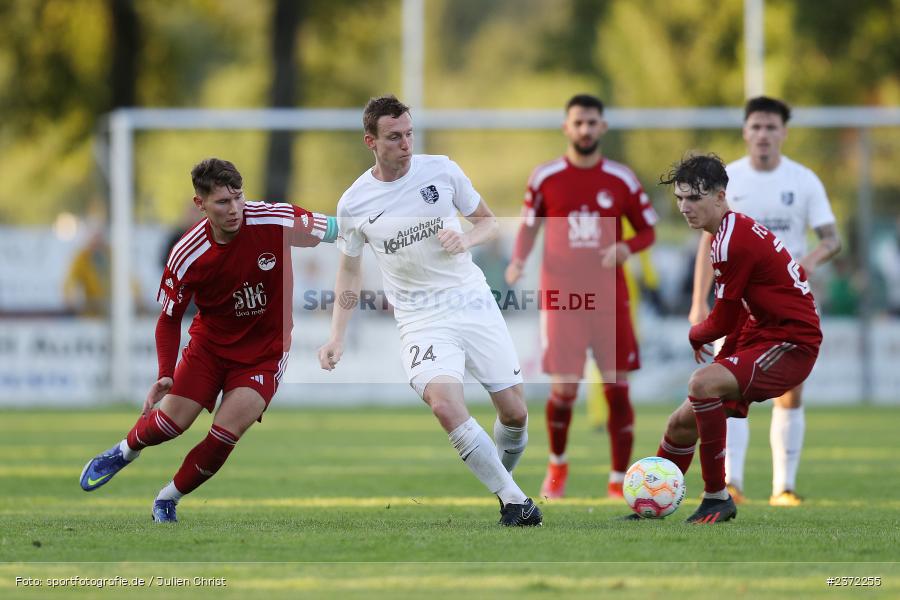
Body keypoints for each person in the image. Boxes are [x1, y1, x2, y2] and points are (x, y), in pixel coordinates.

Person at [317, 95, 541, 527]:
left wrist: (467, 240)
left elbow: (489, 222)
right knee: (444, 403)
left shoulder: (441, 170)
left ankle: (502, 483)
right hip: (421, 319)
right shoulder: (354, 203)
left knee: (514, 414)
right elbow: (348, 271)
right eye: (394, 137)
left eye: (409, 134)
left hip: (471, 301)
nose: (405, 144)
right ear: (371, 141)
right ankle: (513, 500)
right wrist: (336, 335)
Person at [79, 158, 337, 522]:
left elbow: (338, 229)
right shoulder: (187, 253)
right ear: (200, 204)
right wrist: (165, 373)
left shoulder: (274, 219)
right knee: (170, 425)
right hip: (210, 348)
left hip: (264, 353)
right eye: (222, 202)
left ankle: (167, 499)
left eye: (238, 198)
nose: (234, 209)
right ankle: (125, 450)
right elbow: (167, 319)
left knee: (225, 433)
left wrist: (385, 230)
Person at [639, 153, 822, 524]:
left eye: (694, 198)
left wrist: (695, 334)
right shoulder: (728, 232)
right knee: (679, 423)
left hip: (791, 343)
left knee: (701, 383)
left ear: (721, 196)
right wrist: (715, 339)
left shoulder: (729, 241)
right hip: (761, 332)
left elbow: (721, 319)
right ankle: (650, 504)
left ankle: (717, 496)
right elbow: (736, 314)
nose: (685, 207)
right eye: (680, 198)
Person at [688, 97, 840, 507]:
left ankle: (783, 487)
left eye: (771, 127)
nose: (763, 135)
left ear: (783, 133)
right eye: (756, 127)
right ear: (745, 131)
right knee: (725, 386)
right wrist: (698, 303)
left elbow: (831, 238)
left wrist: (801, 266)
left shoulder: (804, 180)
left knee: (790, 391)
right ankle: (731, 481)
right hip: (737, 306)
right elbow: (710, 245)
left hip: (787, 304)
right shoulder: (728, 180)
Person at [505, 94, 657, 499]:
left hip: (610, 300)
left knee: (617, 388)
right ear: (566, 127)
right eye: (579, 122)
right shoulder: (545, 177)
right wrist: (518, 260)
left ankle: (617, 479)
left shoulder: (621, 179)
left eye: (592, 122)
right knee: (565, 390)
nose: (586, 129)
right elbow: (528, 225)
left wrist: (627, 247)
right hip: (563, 301)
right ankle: (557, 468)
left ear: (602, 127)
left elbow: (648, 230)